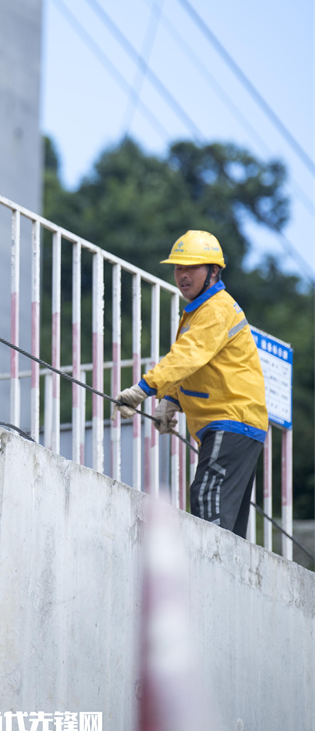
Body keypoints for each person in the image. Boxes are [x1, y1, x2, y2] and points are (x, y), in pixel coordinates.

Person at [114, 230, 268, 538]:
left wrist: (143, 389)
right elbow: (199, 366)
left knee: (207, 500)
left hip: (231, 420)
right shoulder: (202, 309)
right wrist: (171, 400)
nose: (183, 275)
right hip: (234, 422)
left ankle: (209, 582)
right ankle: (226, 582)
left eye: (192, 267)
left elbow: (188, 355)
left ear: (213, 270)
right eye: (178, 268)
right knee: (226, 522)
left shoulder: (215, 309)